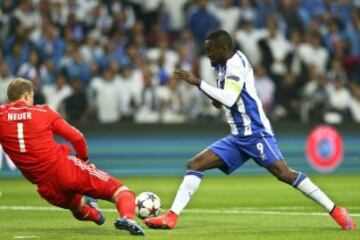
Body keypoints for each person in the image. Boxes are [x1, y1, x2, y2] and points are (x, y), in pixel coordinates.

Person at [144, 30, 356, 231]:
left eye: (211, 50)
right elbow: (230, 98)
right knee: (195, 164)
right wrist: (217, 99)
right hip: (238, 136)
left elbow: (229, 97)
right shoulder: (222, 64)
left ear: (224, 48)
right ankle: (171, 217)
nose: (207, 54)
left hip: (255, 133)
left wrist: (198, 82)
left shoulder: (234, 65)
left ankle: (337, 211)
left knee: (285, 174)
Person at [0, 78, 145, 236]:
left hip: (44, 185)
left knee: (77, 207)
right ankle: (128, 218)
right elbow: (77, 137)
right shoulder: (43, 112)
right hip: (64, 168)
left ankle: (96, 215)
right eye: (32, 96)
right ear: (27, 95)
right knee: (120, 191)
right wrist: (84, 161)